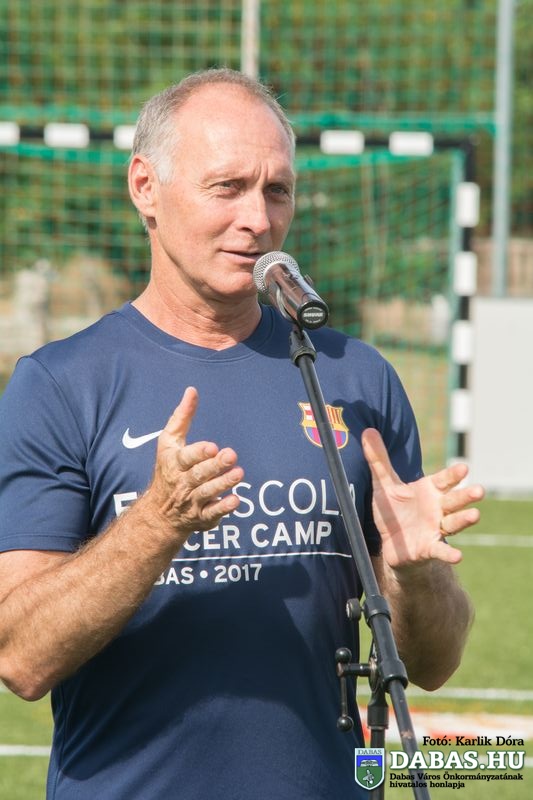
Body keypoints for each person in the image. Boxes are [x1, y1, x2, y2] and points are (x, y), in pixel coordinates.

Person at [0, 68, 483, 800]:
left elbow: (434, 664)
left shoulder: (354, 377)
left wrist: (416, 575)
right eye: (226, 187)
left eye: (276, 190)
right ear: (145, 187)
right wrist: (156, 525)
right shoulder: (60, 384)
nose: (257, 218)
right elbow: (21, 658)